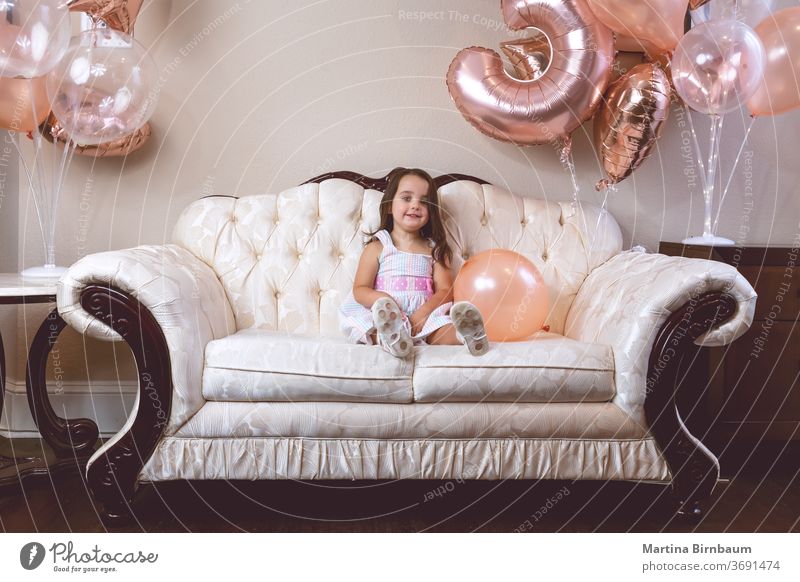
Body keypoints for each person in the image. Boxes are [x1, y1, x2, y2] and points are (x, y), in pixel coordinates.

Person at [338, 167, 489, 358]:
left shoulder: (435, 249)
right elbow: (360, 289)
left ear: (431, 211)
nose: (416, 205)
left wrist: (423, 313)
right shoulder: (378, 247)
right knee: (370, 327)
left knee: (440, 330)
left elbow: (445, 290)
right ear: (389, 206)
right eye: (407, 198)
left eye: (424, 201)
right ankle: (390, 340)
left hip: (424, 316)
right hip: (387, 314)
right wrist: (384, 301)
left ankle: (467, 335)